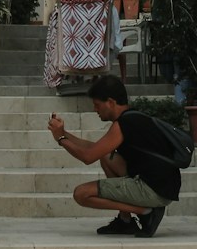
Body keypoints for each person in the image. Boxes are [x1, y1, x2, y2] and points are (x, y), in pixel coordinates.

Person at [47, 73, 180, 237]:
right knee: (106, 155)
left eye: (97, 105)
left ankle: (145, 211)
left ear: (110, 102)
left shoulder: (123, 124)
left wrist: (60, 139)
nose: (95, 110)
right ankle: (125, 221)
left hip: (153, 190)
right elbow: (96, 149)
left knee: (81, 194)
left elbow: (88, 157)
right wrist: (63, 133)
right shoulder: (133, 117)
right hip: (163, 186)